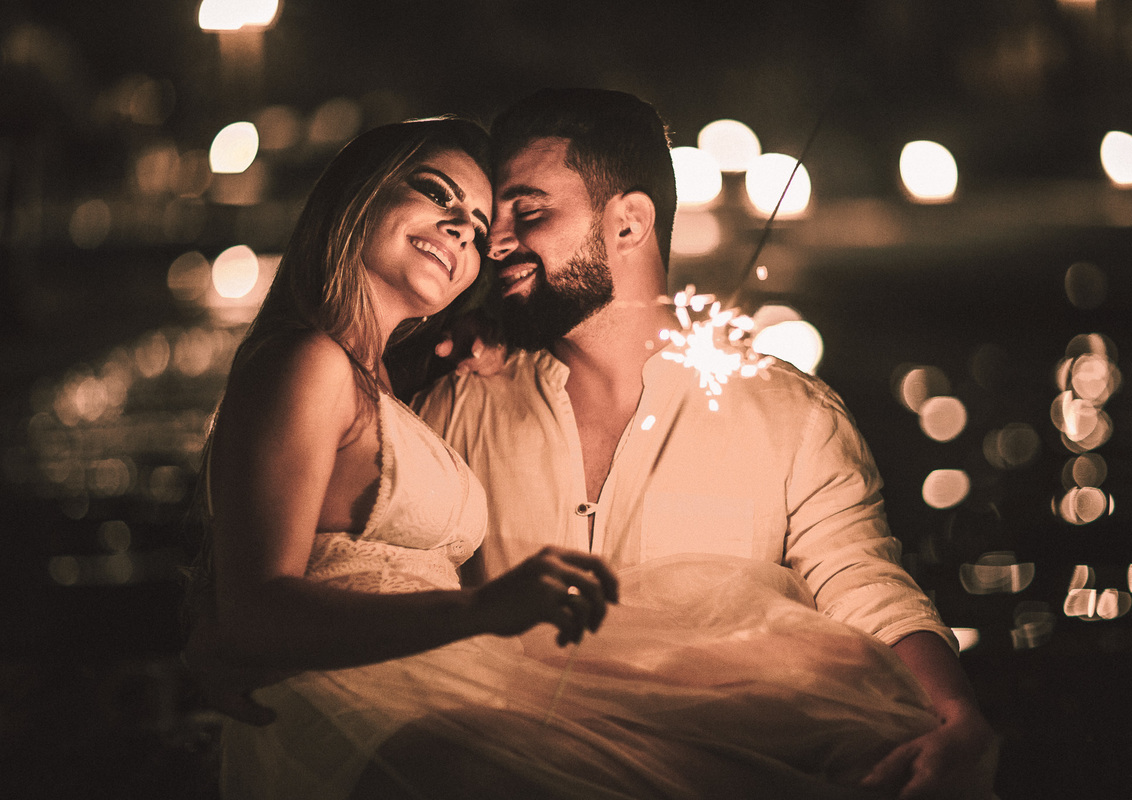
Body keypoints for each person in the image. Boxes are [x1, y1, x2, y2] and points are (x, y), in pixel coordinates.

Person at [411, 88, 998, 799]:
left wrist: (956, 712)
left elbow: (863, 587)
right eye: (488, 220)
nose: (494, 241)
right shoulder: (458, 399)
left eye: (528, 212)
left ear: (629, 223)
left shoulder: (790, 415)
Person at [186, 118, 623, 799]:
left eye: (478, 230)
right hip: (350, 722)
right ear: (357, 198)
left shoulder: (386, 383)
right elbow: (255, 608)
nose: (460, 228)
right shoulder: (308, 362)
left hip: (435, 701)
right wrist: (480, 611)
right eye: (435, 193)